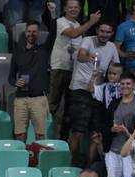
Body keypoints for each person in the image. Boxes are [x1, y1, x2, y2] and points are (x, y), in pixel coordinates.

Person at [68, 21, 119, 166]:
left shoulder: (112, 47)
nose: (104, 35)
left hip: (99, 93)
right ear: (97, 30)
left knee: (96, 134)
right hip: (80, 91)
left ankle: (90, 168)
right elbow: (81, 56)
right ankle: (74, 167)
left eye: (108, 32)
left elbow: (116, 67)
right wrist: (89, 58)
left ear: (112, 33)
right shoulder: (87, 40)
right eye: (102, 31)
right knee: (78, 132)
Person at [49, 0, 101, 140]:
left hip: (73, 70)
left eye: (76, 7)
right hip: (59, 67)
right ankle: (46, 137)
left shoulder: (78, 24)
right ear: (65, 8)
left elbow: (78, 48)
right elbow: (72, 34)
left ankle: (62, 140)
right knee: (53, 106)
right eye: (70, 7)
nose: (73, 9)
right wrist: (91, 22)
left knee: (68, 108)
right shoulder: (60, 22)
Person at [102, 72, 135, 177]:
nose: (125, 86)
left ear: (134, 86)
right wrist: (112, 129)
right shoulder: (114, 103)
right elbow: (105, 125)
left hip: (132, 150)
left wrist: (127, 132)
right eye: (122, 84)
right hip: (113, 148)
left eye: (128, 84)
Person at [8, 20, 51, 142]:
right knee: (20, 135)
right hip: (21, 99)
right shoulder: (18, 53)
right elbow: (10, 77)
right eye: (29, 31)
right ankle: (21, 160)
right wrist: (15, 82)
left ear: (39, 34)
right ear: (25, 33)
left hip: (38, 99)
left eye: (34, 32)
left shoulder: (44, 50)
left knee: (40, 136)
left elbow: (53, 34)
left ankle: (38, 160)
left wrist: (52, 15)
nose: (31, 34)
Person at [88, 62, 124, 167]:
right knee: (97, 140)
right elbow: (91, 89)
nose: (111, 76)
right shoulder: (104, 87)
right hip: (105, 119)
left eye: (114, 74)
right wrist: (93, 77)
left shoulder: (125, 87)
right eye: (109, 73)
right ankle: (89, 166)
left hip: (119, 119)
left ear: (121, 76)